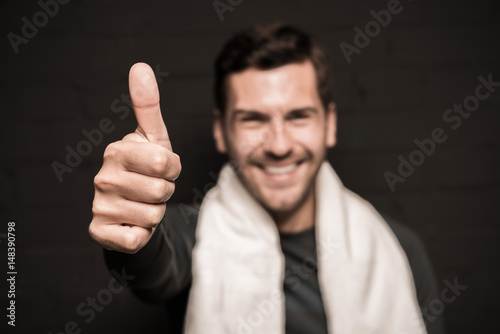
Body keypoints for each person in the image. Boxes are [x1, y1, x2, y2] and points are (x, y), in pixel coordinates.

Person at [89, 22, 445, 334]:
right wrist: (132, 220)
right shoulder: (194, 236)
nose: (278, 145)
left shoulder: (398, 248)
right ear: (221, 130)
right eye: (253, 119)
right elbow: (149, 267)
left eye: (298, 116)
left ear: (330, 124)